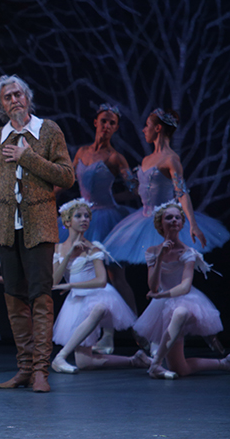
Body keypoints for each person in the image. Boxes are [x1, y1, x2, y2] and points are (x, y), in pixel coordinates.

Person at [0, 74, 75, 393]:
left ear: (28, 97)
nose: (14, 100)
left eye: (18, 94)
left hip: (39, 226)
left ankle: (40, 372)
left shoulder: (48, 131)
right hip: (6, 228)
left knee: (40, 297)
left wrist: (28, 157)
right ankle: (23, 367)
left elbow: (67, 176)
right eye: (7, 97)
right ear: (1, 105)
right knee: (14, 298)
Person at [104, 108, 229, 264]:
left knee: (166, 265)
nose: (144, 129)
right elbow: (140, 191)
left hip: (166, 221)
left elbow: (181, 193)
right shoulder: (147, 160)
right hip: (144, 218)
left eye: (147, 125)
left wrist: (193, 224)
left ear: (158, 128)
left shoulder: (171, 159)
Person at [65, 104, 138, 354]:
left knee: (115, 276)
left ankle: (130, 331)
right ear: (95, 122)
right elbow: (68, 183)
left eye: (112, 123)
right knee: (85, 275)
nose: (107, 126)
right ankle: (89, 332)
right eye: (104, 121)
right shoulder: (81, 153)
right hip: (84, 218)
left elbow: (134, 189)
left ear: (116, 128)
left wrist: (114, 199)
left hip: (108, 218)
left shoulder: (116, 157)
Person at [50, 199, 147, 373]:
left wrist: (71, 284)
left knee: (99, 308)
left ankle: (60, 357)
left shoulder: (93, 248)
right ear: (67, 222)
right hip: (76, 302)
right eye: (78, 216)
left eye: (87, 216)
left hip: (97, 295)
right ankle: (134, 360)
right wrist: (69, 254)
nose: (84, 219)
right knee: (84, 362)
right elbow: (54, 281)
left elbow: (102, 281)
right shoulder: (58, 249)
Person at [134, 202, 228, 379]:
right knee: (180, 368)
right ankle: (223, 364)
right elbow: (152, 286)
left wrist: (161, 295)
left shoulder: (188, 252)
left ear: (182, 223)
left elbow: (185, 287)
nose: (174, 220)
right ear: (160, 223)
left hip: (187, 300)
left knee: (180, 312)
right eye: (169, 217)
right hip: (163, 305)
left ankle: (155, 365)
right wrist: (160, 257)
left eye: (177, 217)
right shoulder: (153, 251)